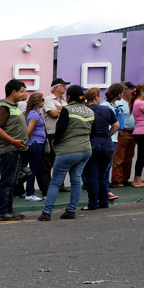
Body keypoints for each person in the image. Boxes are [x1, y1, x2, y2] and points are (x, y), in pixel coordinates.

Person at [39, 85, 93, 221]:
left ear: (68, 97)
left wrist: (55, 144)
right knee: (76, 179)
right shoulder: (89, 111)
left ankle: (47, 212)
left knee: (56, 182)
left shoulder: (67, 110)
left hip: (67, 150)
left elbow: (60, 129)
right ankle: (71, 210)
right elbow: (95, 131)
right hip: (85, 149)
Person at [0, 79, 29, 221]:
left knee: (12, 182)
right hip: (8, 151)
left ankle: (9, 210)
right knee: (7, 182)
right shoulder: (4, 107)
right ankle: (2, 212)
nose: (25, 94)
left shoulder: (14, 107)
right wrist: (12, 141)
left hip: (15, 150)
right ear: (14, 92)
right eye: (22, 91)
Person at [82, 88, 119, 210]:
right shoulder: (107, 109)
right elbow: (116, 125)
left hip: (90, 144)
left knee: (92, 176)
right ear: (97, 97)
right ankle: (104, 202)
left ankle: (92, 203)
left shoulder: (85, 110)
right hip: (107, 145)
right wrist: (107, 134)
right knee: (102, 175)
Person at [43, 78, 70, 192]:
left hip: (63, 132)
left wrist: (60, 109)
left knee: (61, 159)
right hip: (52, 132)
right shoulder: (48, 99)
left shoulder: (64, 100)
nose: (65, 88)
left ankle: (60, 184)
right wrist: (64, 110)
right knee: (49, 160)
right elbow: (53, 113)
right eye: (63, 86)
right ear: (56, 87)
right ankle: (48, 184)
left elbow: (70, 112)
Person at [111, 82, 136, 187]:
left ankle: (125, 178)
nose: (133, 93)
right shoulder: (119, 103)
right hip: (123, 131)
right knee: (119, 157)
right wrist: (120, 130)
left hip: (132, 131)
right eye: (132, 91)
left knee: (129, 157)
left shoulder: (133, 103)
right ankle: (117, 179)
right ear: (125, 92)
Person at [24, 93, 47, 201]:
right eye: (42, 100)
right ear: (37, 101)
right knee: (34, 168)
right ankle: (29, 193)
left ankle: (45, 191)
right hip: (35, 143)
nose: (44, 101)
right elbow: (29, 131)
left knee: (40, 168)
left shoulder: (38, 113)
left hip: (38, 143)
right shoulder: (34, 114)